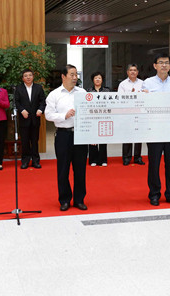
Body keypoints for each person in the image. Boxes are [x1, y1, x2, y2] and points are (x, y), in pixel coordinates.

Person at [142, 53, 170, 207]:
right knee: (154, 162)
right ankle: (154, 194)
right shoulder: (147, 83)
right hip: (154, 125)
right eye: (161, 62)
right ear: (155, 66)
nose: (164, 65)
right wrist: (144, 97)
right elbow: (142, 102)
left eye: (167, 62)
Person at [45, 64, 88, 211]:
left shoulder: (82, 92)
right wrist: (64, 115)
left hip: (80, 134)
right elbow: (48, 115)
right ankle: (64, 200)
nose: (75, 77)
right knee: (63, 169)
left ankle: (79, 199)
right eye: (72, 75)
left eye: (76, 75)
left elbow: (90, 112)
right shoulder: (54, 95)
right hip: (63, 135)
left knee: (80, 169)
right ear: (63, 76)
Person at [14, 68, 46, 169]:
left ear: (33, 76)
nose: (28, 77)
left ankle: (36, 161)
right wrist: (22, 110)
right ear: (22, 78)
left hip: (35, 118)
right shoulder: (18, 88)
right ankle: (25, 161)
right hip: (24, 119)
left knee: (35, 141)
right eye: (26, 76)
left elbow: (43, 101)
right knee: (25, 141)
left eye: (30, 75)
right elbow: (16, 102)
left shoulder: (38, 87)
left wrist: (40, 110)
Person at [117, 63, 145, 166]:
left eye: (134, 70)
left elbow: (146, 96)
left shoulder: (143, 83)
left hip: (139, 112)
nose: (133, 72)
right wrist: (131, 95)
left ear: (137, 72)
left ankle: (137, 157)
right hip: (127, 113)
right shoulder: (123, 84)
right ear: (127, 72)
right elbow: (119, 99)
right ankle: (126, 158)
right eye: (131, 70)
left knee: (138, 135)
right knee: (127, 135)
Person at [86, 71, 111, 167]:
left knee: (103, 139)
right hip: (92, 117)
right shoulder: (88, 91)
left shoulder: (107, 91)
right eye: (96, 78)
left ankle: (103, 159)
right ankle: (93, 159)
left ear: (102, 80)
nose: (97, 79)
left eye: (99, 78)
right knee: (92, 139)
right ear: (93, 80)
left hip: (104, 116)